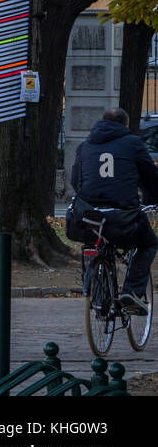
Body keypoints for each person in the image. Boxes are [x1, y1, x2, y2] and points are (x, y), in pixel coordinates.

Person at [70, 107, 158, 315]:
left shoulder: (85, 146)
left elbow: (76, 180)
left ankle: (100, 301)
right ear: (125, 125)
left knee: (100, 244)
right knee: (149, 243)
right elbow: (150, 178)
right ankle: (132, 293)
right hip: (122, 217)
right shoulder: (133, 144)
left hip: (89, 217)